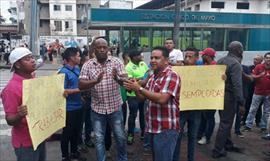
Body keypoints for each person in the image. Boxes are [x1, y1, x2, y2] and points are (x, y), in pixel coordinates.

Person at [124, 46, 180, 161]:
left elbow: (162, 99)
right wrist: (136, 87)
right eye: (152, 57)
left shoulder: (171, 75)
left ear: (166, 60)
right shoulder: (153, 76)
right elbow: (142, 98)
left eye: (157, 58)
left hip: (166, 129)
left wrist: (139, 88)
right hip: (154, 127)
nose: (153, 60)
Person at [79, 38, 128, 161]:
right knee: (99, 139)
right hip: (97, 109)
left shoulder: (117, 62)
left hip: (115, 108)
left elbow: (126, 82)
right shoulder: (88, 65)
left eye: (104, 47)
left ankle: (122, 158)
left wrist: (117, 78)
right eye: (99, 47)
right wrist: (95, 81)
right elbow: (81, 84)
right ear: (94, 49)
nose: (102, 49)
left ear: (108, 48)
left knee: (120, 136)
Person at [1, 47, 46, 161]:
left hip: (39, 135)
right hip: (26, 142)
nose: (33, 60)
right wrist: (19, 114)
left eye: (32, 57)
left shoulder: (32, 80)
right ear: (18, 65)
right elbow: (10, 120)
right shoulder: (11, 89)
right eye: (27, 59)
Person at [212, 41, 245, 158]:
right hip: (229, 96)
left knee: (225, 121)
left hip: (219, 94)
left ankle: (228, 143)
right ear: (238, 50)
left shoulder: (221, 60)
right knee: (225, 123)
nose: (242, 51)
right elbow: (237, 85)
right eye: (241, 49)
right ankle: (217, 150)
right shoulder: (235, 64)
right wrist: (241, 102)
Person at [173, 47, 202, 161]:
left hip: (195, 109)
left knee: (193, 137)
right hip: (181, 109)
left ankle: (191, 158)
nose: (187, 59)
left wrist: (221, 79)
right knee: (177, 136)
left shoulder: (204, 72)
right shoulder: (178, 71)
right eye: (186, 56)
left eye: (190, 56)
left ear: (196, 58)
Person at [58, 47, 85, 161]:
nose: (80, 58)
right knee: (67, 133)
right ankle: (65, 155)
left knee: (76, 131)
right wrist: (80, 89)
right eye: (78, 56)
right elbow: (62, 92)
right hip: (68, 108)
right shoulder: (63, 72)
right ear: (72, 57)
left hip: (79, 106)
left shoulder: (77, 69)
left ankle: (74, 152)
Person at [126, 49, 148, 145]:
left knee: (143, 115)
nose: (141, 56)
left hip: (144, 93)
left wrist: (139, 79)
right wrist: (143, 79)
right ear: (134, 57)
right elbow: (131, 82)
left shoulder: (143, 63)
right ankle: (130, 135)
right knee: (133, 115)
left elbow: (149, 73)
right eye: (139, 55)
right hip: (133, 96)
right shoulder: (128, 67)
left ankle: (144, 133)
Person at [244, 52, 270, 132]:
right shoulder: (259, 66)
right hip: (257, 92)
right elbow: (252, 76)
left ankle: (263, 127)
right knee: (253, 109)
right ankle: (248, 126)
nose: (268, 59)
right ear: (264, 59)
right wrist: (260, 75)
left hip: (268, 94)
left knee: (266, 111)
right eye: (267, 58)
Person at [197, 48, 217, 145]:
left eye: (203, 55)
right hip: (204, 95)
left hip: (212, 96)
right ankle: (201, 134)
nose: (202, 56)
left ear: (207, 56)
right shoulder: (205, 65)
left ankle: (207, 136)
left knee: (209, 116)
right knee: (204, 116)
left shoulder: (214, 66)